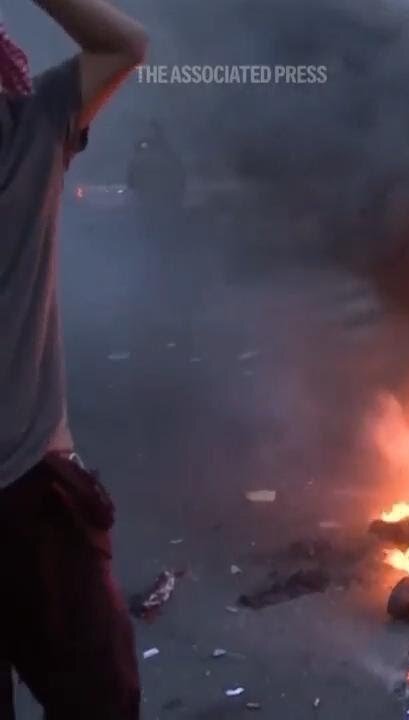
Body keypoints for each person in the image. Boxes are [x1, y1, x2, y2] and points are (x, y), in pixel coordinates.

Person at [0, 1, 148, 717]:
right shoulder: (34, 132)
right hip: (31, 498)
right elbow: (122, 43)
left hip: (32, 496)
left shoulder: (30, 134)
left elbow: (126, 44)